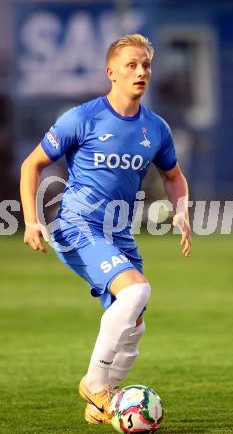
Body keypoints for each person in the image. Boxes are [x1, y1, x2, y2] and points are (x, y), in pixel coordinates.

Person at [20, 34, 191, 424]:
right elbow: (31, 165)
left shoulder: (156, 129)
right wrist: (31, 219)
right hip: (77, 225)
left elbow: (174, 176)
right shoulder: (82, 118)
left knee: (135, 322)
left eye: (146, 64)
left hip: (118, 233)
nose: (141, 71)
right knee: (137, 290)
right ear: (111, 72)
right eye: (131, 65)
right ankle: (95, 383)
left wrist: (181, 212)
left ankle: (104, 402)